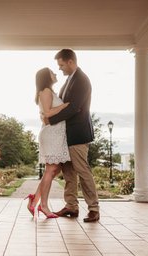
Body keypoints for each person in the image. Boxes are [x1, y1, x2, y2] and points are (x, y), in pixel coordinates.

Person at [46, 48, 100, 223]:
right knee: (69, 172)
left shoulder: (82, 80)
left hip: (78, 134)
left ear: (70, 62)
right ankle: (71, 206)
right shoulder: (69, 80)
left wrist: (51, 119)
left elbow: (74, 107)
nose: (60, 69)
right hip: (66, 135)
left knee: (82, 171)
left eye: (61, 65)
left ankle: (93, 209)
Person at [25, 67, 71, 219]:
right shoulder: (45, 90)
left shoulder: (49, 91)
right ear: (47, 76)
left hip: (55, 134)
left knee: (53, 169)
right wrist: (65, 106)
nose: (55, 73)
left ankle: (34, 199)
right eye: (52, 72)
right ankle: (43, 206)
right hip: (51, 134)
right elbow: (48, 113)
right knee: (51, 170)